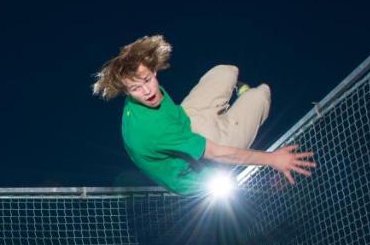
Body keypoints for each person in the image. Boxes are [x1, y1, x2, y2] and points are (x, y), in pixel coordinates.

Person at [91, 34, 314, 194]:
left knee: (227, 71)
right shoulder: (153, 130)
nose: (147, 91)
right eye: (135, 89)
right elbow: (217, 153)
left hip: (186, 121)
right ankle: (243, 104)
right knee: (260, 95)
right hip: (195, 167)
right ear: (126, 92)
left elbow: (138, 73)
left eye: (147, 80)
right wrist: (273, 159)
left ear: (153, 70)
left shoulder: (146, 91)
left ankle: (231, 99)